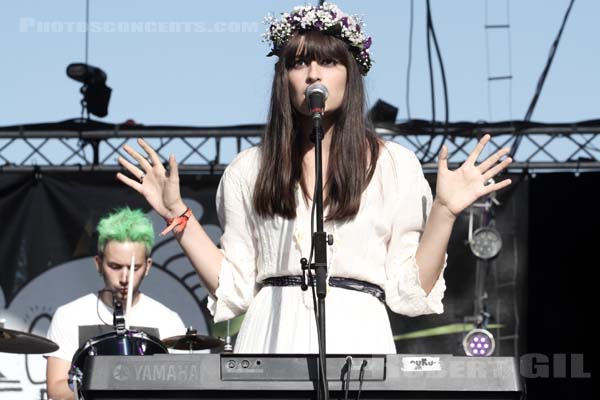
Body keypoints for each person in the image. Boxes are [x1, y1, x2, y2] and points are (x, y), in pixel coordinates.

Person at [117, 3, 512, 354]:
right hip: (270, 336)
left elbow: (409, 293)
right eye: (299, 63)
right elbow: (235, 288)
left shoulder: (395, 165)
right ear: (283, 77)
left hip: (359, 338)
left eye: (328, 63)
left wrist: (444, 211)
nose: (312, 75)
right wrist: (178, 214)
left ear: (350, 75)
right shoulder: (248, 169)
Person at [45, 208, 186, 400]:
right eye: (115, 266)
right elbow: (56, 389)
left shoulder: (168, 321)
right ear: (98, 264)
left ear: (148, 267)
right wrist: (110, 382)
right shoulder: (69, 316)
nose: (125, 277)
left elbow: (183, 387)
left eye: (134, 267)